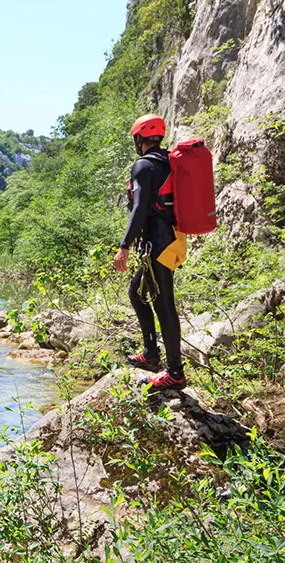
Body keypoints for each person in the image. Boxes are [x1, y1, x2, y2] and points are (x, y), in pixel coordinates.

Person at [114, 114, 186, 391]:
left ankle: (175, 373)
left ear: (139, 138)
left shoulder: (144, 165)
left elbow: (140, 208)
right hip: (168, 240)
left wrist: (124, 246)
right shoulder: (167, 162)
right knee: (137, 292)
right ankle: (152, 353)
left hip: (158, 243)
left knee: (164, 305)